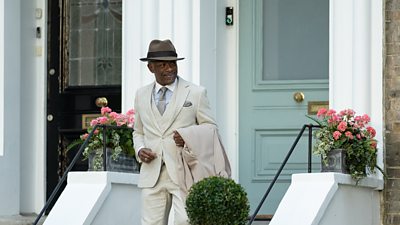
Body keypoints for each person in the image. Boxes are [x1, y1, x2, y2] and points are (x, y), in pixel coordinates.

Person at [133, 39, 217, 225]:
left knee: (185, 221)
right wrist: (140, 150)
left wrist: (189, 135)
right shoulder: (141, 94)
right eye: (162, 65)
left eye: (172, 63)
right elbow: (138, 131)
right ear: (150, 68)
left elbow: (211, 128)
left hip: (184, 172)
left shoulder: (196, 92)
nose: (169, 69)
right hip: (152, 174)